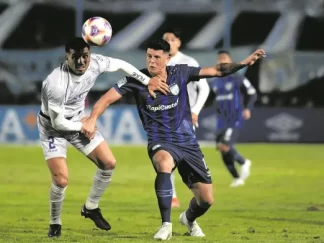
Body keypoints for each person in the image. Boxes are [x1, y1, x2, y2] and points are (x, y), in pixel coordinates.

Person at [81, 39, 265, 240]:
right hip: (160, 140)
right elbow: (106, 99)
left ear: (167, 58)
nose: (151, 61)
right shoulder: (136, 78)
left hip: (187, 142)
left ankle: (188, 219)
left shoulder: (180, 72)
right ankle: (165, 225)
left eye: (157, 57)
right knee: (163, 161)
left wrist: (244, 63)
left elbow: (217, 70)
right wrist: (91, 119)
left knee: (206, 200)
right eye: (149, 56)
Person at [37, 37, 170, 238]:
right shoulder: (55, 82)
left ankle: (90, 207)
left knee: (108, 163)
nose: (81, 62)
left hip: (77, 121)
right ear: (67, 57)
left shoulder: (96, 63)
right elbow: (58, 123)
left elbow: (122, 65)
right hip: (52, 127)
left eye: (85, 56)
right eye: (75, 57)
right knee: (61, 179)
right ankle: (55, 223)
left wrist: (146, 80)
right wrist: (84, 126)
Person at [163, 27, 210, 208]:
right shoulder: (159, 61)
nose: (169, 42)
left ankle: (200, 196)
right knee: (166, 158)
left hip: (185, 119)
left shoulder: (188, 62)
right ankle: (172, 196)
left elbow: (204, 88)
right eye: (166, 39)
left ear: (179, 42)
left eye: (172, 39)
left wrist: (196, 110)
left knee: (186, 159)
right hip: (164, 118)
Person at [209, 50, 257, 187]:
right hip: (221, 120)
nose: (222, 61)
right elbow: (211, 98)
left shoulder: (238, 78)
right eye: (219, 58)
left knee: (225, 144)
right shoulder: (215, 81)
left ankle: (243, 162)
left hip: (235, 116)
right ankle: (236, 178)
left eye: (224, 58)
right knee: (222, 148)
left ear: (230, 60)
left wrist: (248, 108)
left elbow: (252, 94)